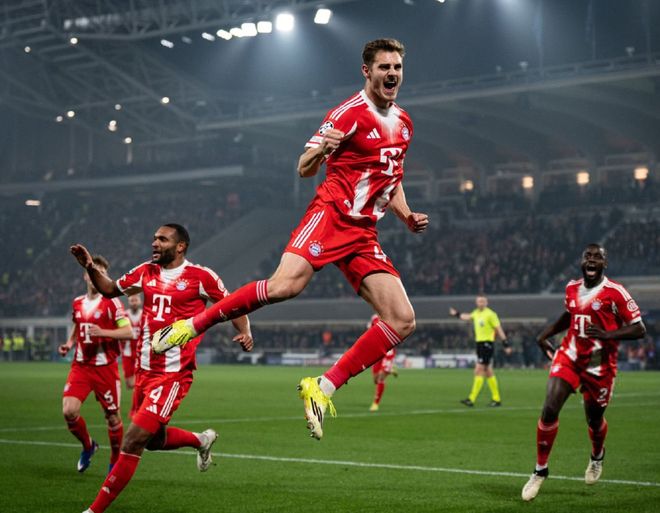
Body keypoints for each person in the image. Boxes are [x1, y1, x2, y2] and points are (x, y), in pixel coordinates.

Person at [152, 38, 428, 440]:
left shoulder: (404, 123)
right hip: (331, 216)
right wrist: (322, 151)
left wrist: (406, 215)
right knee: (284, 287)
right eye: (384, 67)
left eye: (397, 67)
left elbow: (392, 178)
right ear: (367, 72)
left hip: (363, 232)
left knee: (403, 320)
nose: (392, 74)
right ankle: (190, 326)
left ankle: (322, 387)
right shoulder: (347, 114)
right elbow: (303, 167)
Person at [70, 223, 253, 513]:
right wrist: (90, 267)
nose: (155, 243)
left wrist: (245, 331)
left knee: (133, 440)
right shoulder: (146, 271)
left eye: (163, 239)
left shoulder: (201, 276)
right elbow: (109, 289)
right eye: (154, 238)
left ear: (180, 246)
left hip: (172, 375)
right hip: (145, 370)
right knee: (153, 441)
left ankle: (93, 510)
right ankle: (201, 440)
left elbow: (231, 304)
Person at [521, 244, 646, 501]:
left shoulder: (616, 293)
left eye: (597, 257)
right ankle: (540, 470)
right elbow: (569, 315)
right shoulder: (571, 287)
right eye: (588, 256)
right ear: (581, 261)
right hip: (570, 356)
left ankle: (597, 455)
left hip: (600, 366)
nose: (592, 260)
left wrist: (608, 334)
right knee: (549, 408)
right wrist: (545, 334)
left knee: (594, 419)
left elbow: (639, 328)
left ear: (604, 264)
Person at [58, 255, 133, 473]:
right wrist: (70, 343)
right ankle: (88, 446)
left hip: (105, 368)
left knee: (113, 418)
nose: (96, 277)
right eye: (93, 273)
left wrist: (104, 332)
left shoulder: (112, 302)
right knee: (69, 411)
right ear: (86, 276)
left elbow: (128, 331)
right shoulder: (78, 302)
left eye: (101, 273)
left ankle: (115, 461)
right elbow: (77, 324)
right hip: (81, 366)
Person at [449, 295, 511, 407]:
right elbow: (467, 317)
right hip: (480, 344)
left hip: (487, 344)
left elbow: (499, 329)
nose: (481, 303)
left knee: (478, 370)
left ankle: (471, 399)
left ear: (486, 302)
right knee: (488, 371)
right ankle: (496, 399)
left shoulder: (491, 314)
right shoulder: (476, 313)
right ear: (476, 302)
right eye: (479, 301)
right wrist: (456, 314)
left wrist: (505, 343)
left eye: (483, 301)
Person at [368, 314, 398, 412]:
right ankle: (390, 370)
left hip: (388, 350)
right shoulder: (374, 318)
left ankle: (375, 403)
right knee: (375, 380)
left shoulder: (390, 316)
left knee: (381, 378)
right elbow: (370, 332)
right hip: (377, 351)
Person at [121, 294, 143, 392]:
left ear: (140, 301)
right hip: (127, 353)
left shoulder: (145, 315)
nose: (134, 303)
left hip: (141, 353)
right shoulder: (124, 316)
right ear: (128, 302)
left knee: (139, 381)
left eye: (136, 300)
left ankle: (139, 397)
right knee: (129, 384)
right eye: (132, 301)